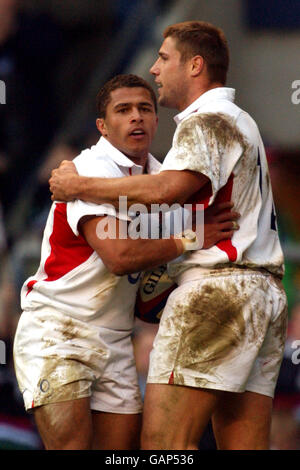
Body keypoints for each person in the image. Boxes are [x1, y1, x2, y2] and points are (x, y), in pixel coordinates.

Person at [49, 21, 288, 450]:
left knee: (164, 447)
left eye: (163, 58)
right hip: (266, 294)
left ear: (195, 65)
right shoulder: (243, 121)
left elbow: (166, 190)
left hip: (217, 291)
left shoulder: (206, 120)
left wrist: (80, 186)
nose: (155, 69)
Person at [13, 73, 238, 450]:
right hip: (57, 330)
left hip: (117, 339)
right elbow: (120, 257)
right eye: (124, 110)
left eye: (145, 109)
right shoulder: (88, 170)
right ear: (102, 126)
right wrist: (191, 237)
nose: (136, 117)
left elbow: (176, 248)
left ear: (155, 120)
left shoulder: (163, 178)